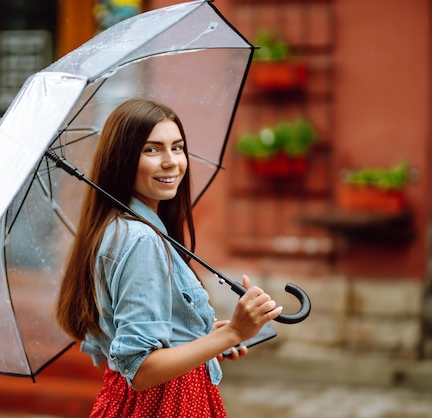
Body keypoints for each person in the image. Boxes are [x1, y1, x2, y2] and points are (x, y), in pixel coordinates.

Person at [56, 98, 282, 417]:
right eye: (152, 149)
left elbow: (138, 343)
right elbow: (141, 368)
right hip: (164, 406)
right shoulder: (141, 240)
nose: (171, 162)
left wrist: (204, 338)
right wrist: (234, 333)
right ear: (122, 160)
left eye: (177, 147)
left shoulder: (116, 227)